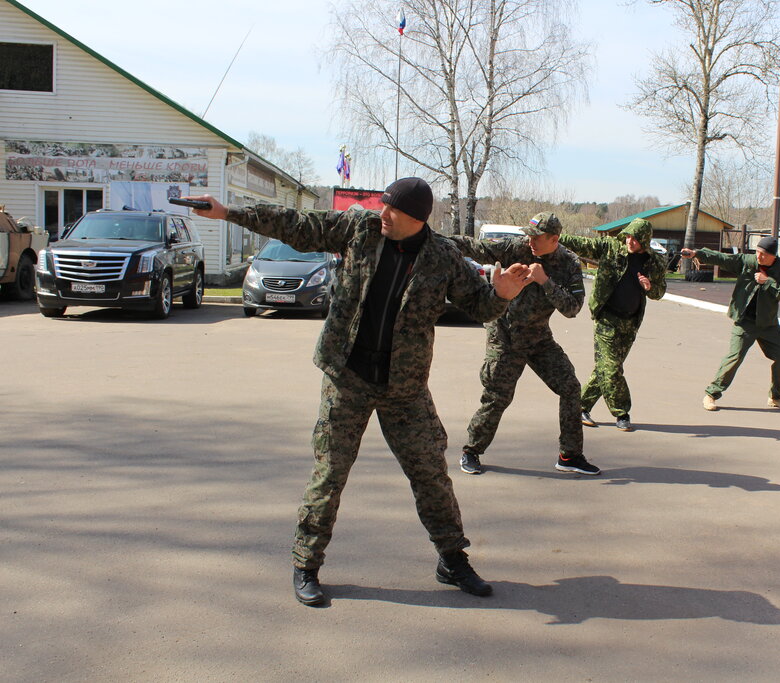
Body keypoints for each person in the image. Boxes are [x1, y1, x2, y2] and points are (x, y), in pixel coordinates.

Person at [185, 178, 530, 606]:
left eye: (392, 211)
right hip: (347, 377)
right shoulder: (359, 230)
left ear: (416, 219)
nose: (382, 214)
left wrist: (500, 294)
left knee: (430, 474)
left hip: (404, 388)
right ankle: (306, 563)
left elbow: (478, 305)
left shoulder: (442, 258)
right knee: (330, 473)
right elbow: (296, 223)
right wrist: (228, 213)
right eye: (382, 206)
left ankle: (452, 560)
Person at [450, 212, 599, 476]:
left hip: (538, 338)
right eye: (528, 235)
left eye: (537, 237)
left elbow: (572, 308)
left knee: (570, 387)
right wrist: (434, 240)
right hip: (505, 336)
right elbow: (477, 247)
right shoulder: (515, 248)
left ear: (554, 239)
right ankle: (471, 451)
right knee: (498, 396)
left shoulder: (568, 263)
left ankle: (570, 455)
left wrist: (545, 281)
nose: (530, 241)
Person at [559, 218, 667, 432]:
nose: (630, 241)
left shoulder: (654, 262)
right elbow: (582, 244)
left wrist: (650, 287)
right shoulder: (611, 248)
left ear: (645, 241)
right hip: (606, 317)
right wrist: (553, 237)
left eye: (635, 239)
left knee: (606, 369)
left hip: (630, 322)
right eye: (627, 236)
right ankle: (622, 413)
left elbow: (659, 292)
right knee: (611, 368)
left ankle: (579, 407)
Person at [679, 235, 780, 411]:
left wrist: (768, 282)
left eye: (763, 254)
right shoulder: (747, 261)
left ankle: (776, 396)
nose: (759, 256)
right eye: (757, 252)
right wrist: (697, 254)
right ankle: (711, 394)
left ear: (773, 255)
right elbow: (723, 258)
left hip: (768, 324)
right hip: (745, 322)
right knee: (734, 358)